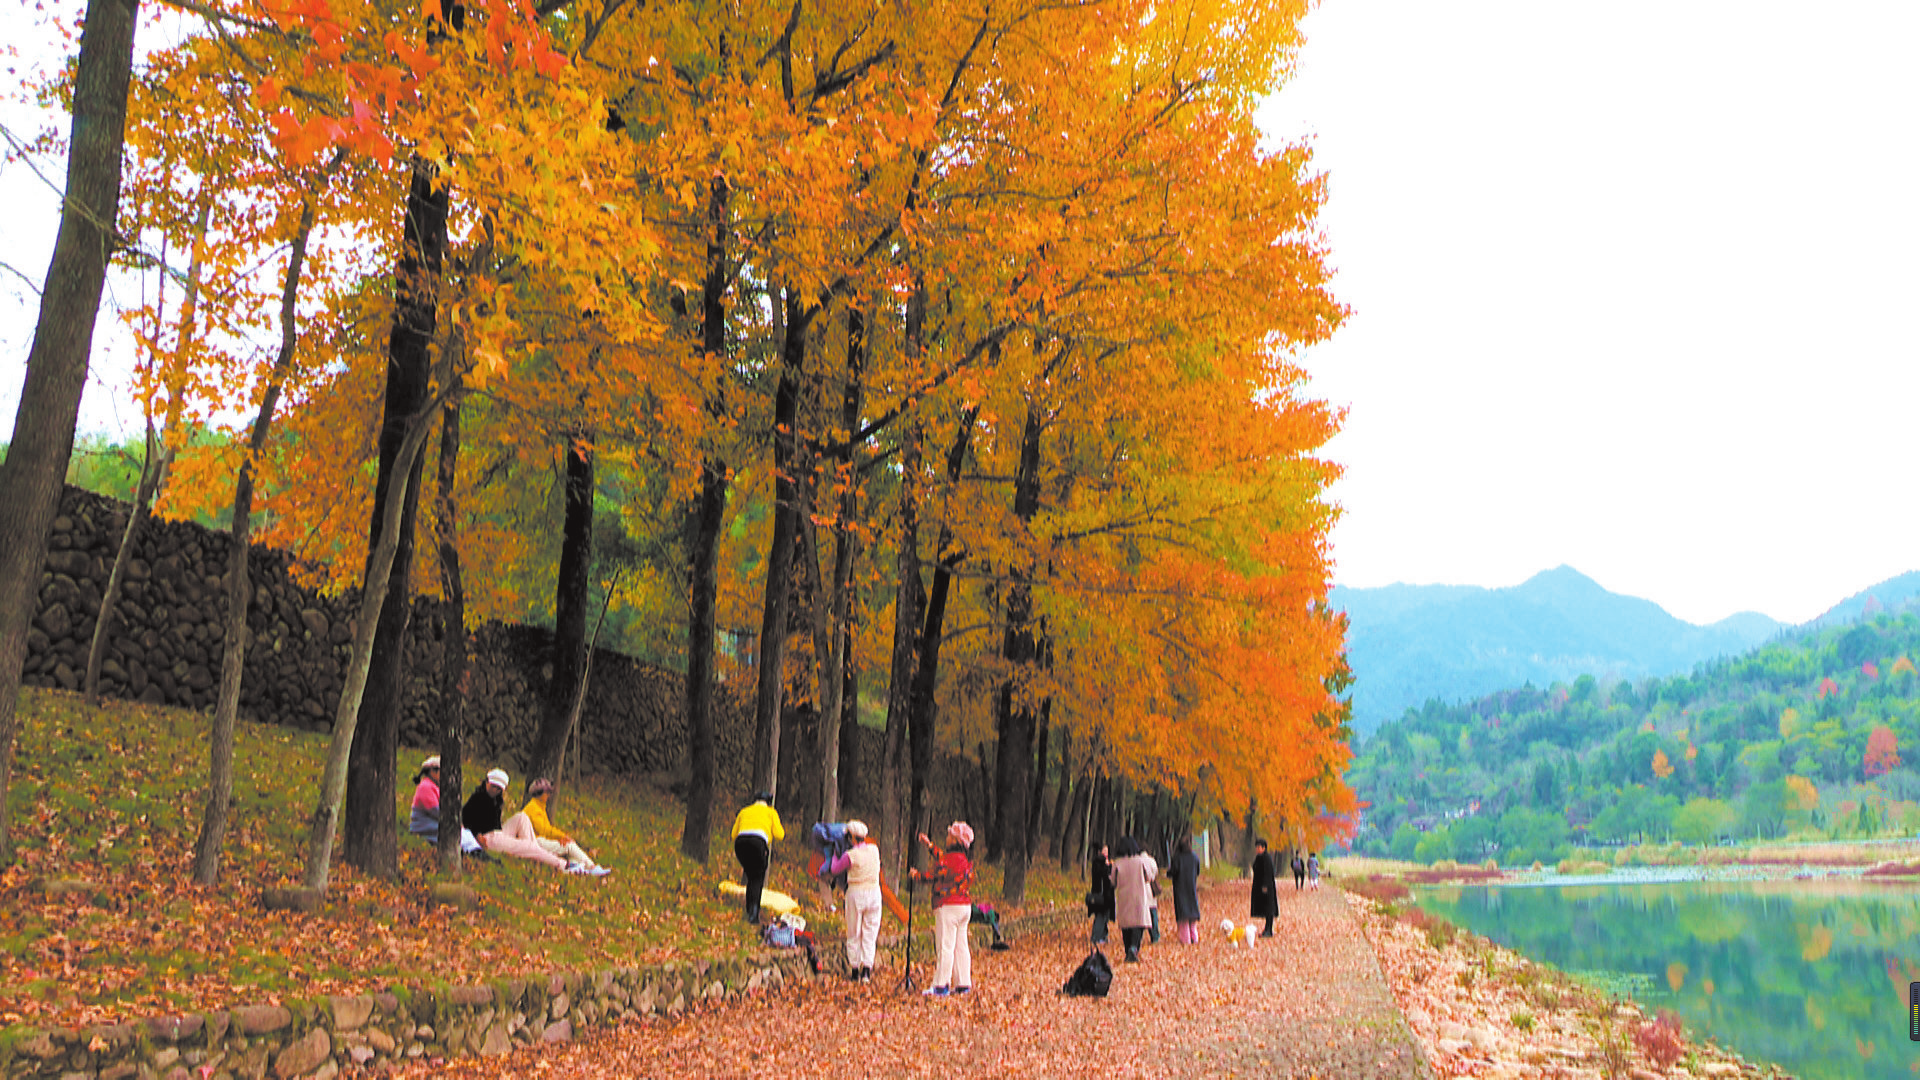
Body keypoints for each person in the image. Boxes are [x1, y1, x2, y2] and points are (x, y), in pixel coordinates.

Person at [461, 769, 573, 871]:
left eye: (499, 789)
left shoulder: (497, 800)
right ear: (487, 782)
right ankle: (563, 865)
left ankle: (537, 855)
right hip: (488, 838)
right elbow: (465, 820)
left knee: (522, 817)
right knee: (528, 846)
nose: (495, 791)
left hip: (498, 832)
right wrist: (476, 835)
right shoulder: (477, 798)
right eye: (493, 786)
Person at [911, 822, 975, 997]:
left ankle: (941, 985)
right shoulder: (965, 859)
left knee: (945, 945)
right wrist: (929, 845)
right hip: (964, 905)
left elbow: (936, 873)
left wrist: (917, 876)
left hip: (948, 905)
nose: (946, 838)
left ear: (954, 839)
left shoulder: (950, 860)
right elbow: (942, 859)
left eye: (949, 836)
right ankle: (963, 983)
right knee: (961, 946)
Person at [828, 820, 883, 981]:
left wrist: (833, 855)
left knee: (854, 932)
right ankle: (866, 968)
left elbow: (835, 868)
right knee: (870, 932)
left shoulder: (850, 856)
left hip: (856, 893)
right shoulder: (874, 850)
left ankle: (854, 968)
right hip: (874, 892)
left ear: (851, 837)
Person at [522, 778, 611, 875]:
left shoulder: (538, 806)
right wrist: (562, 836)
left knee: (568, 847)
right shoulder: (534, 809)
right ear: (541, 794)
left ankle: (576, 868)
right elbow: (544, 830)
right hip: (536, 841)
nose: (548, 796)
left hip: (538, 839)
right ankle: (592, 867)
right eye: (547, 793)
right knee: (569, 845)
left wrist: (559, 838)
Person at [407, 756, 488, 858]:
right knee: (457, 832)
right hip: (425, 827)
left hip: (435, 824)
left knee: (464, 833)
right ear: (432, 772)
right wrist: (454, 821)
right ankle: (474, 853)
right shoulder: (426, 787)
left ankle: (476, 852)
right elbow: (437, 812)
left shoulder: (436, 787)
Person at [731, 792, 784, 924]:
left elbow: (733, 834)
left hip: (740, 843)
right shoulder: (771, 812)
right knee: (757, 877)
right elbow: (780, 834)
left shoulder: (744, 811)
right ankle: (753, 913)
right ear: (768, 802)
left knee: (751, 875)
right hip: (758, 842)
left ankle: (749, 909)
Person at [1110, 835, 1157, 962]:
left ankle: (1128, 950)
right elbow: (1149, 877)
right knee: (1139, 923)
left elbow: (1112, 881)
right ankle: (1134, 947)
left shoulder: (1117, 863)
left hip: (1124, 897)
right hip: (1139, 897)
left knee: (1126, 925)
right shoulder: (1141, 861)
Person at [1167, 838, 1203, 945]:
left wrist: (1168, 873)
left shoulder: (1177, 858)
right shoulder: (1194, 857)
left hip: (1180, 888)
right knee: (1192, 914)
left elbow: (1173, 872)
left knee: (1183, 915)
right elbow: (1197, 871)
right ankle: (1194, 937)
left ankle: (1185, 939)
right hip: (1191, 886)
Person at [1087, 842, 1115, 945]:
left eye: (1107, 851)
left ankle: (1103, 935)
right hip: (1101, 894)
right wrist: (1108, 867)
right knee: (1101, 915)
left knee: (1105, 916)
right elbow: (1104, 875)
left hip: (1105, 894)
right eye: (1104, 851)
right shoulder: (1098, 863)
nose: (1106, 853)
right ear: (1099, 852)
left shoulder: (1102, 863)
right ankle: (1096, 937)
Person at [1250, 838, 1279, 937]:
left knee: (1269, 908)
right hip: (1260, 887)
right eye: (1256, 847)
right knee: (1265, 908)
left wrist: (1265, 886)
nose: (1257, 849)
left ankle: (1269, 930)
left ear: (1263, 848)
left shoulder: (1267, 858)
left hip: (1267, 887)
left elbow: (1268, 873)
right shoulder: (1259, 857)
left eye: (1259, 847)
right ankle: (1266, 929)